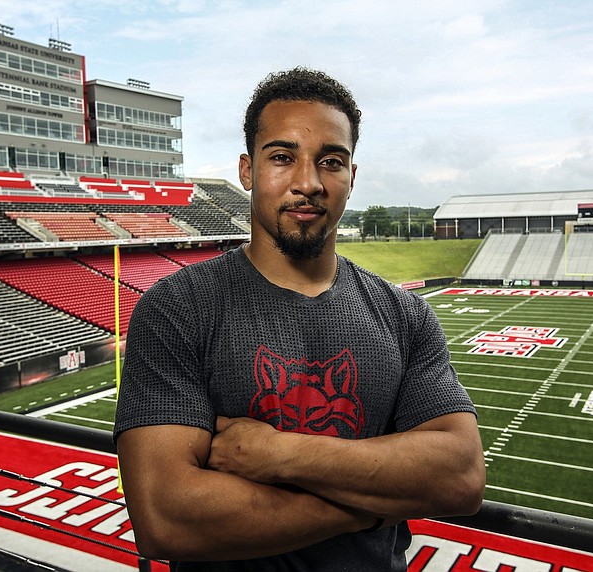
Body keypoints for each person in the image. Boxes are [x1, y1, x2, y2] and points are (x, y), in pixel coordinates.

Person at [114, 67, 485, 571]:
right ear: (247, 171)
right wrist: (371, 511)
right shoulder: (177, 309)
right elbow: (166, 520)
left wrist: (277, 454)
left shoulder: (405, 315)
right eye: (283, 157)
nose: (307, 183)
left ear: (351, 177)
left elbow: (460, 477)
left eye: (331, 162)